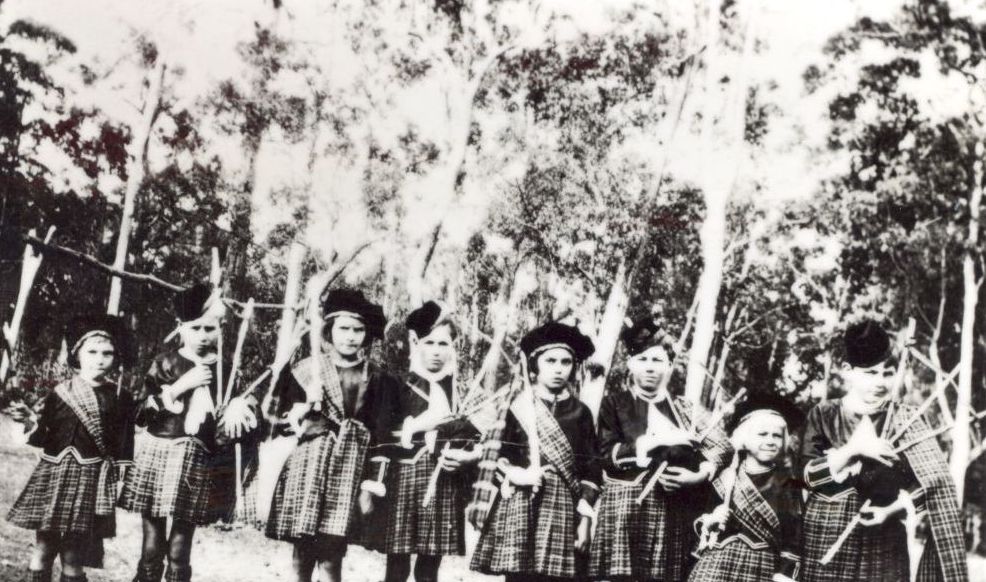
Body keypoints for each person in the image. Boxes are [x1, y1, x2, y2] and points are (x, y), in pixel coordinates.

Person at [799, 320, 967, 582]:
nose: (880, 382)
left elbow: (933, 484)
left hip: (884, 542)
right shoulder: (823, 414)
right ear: (847, 370)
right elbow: (808, 477)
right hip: (825, 534)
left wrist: (890, 510)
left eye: (887, 373)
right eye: (870, 373)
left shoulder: (905, 418)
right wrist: (855, 449)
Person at [263, 288, 401, 582]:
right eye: (344, 328)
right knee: (302, 552)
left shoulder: (376, 378)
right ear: (329, 329)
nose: (350, 336)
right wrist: (301, 408)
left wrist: (371, 485)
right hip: (308, 467)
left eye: (358, 329)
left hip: (349, 468)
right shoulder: (305, 370)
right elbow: (276, 419)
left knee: (331, 552)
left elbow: (382, 435)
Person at [589, 317, 731, 582]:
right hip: (625, 509)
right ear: (631, 364)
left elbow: (723, 445)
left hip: (672, 512)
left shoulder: (685, 409)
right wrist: (650, 442)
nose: (650, 368)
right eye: (642, 360)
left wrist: (700, 474)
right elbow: (607, 454)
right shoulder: (614, 404)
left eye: (657, 361)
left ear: (669, 365)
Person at [118, 283, 243, 582]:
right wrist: (179, 387)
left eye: (210, 329)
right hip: (159, 454)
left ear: (221, 329)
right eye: (196, 328)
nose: (203, 336)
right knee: (152, 543)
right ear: (181, 327)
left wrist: (238, 406)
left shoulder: (227, 371)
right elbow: (140, 414)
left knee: (180, 546)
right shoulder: (165, 362)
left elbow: (226, 431)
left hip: (196, 463)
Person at [6, 314, 135, 582]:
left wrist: (121, 477)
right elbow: (43, 435)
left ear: (116, 358)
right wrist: (28, 421)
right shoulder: (60, 392)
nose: (99, 359)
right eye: (92, 352)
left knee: (75, 552)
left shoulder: (120, 397)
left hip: (91, 479)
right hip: (54, 474)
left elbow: (124, 442)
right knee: (43, 545)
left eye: (107, 353)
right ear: (77, 354)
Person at [470, 321, 602, 582]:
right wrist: (515, 474)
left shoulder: (581, 413)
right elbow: (494, 455)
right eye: (550, 361)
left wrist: (585, 519)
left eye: (566, 362)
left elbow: (591, 469)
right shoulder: (516, 405)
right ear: (534, 364)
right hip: (521, 502)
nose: (558, 369)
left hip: (564, 508)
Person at [377, 301, 482, 582]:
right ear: (414, 341)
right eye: (429, 342)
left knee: (429, 568)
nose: (437, 351)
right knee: (397, 566)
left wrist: (467, 455)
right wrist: (421, 425)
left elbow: (477, 437)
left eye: (444, 344)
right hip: (405, 478)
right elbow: (383, 435)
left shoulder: (456, 388)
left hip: (445, 481)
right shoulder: (396, 383)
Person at [688, 392, 804, 582]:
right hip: (716, 564)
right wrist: (710, 520)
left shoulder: (787, 484)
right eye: (762, 434)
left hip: (761, 567)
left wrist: (785, 574)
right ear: (744, 437)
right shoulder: (725, 477)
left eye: (776, 436)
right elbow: (700, 523)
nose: (769, 441)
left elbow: (793, 538)